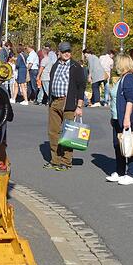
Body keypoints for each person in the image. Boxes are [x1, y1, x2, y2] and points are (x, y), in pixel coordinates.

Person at [45, 41, 86, 171]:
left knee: (68, 133)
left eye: (68, 51)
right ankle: (55, 160)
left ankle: (66, 161)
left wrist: (79, 106)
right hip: (55, 102)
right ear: (59, 53)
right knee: (53, 132)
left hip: (69, 103)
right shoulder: (55, 65)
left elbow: (81, 88)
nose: (67, 53)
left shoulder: (76, 67)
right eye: (64, 52)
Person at [108, 54, 133, 185]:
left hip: (125, 117)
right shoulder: (122, 78)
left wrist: (127, 117)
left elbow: (130, 100)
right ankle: (120, 171)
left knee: (128, 144)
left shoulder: (128, 79)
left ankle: (131, 174)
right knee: (118, 145)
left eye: (116, 63)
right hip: (117, 117)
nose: (114, 66)